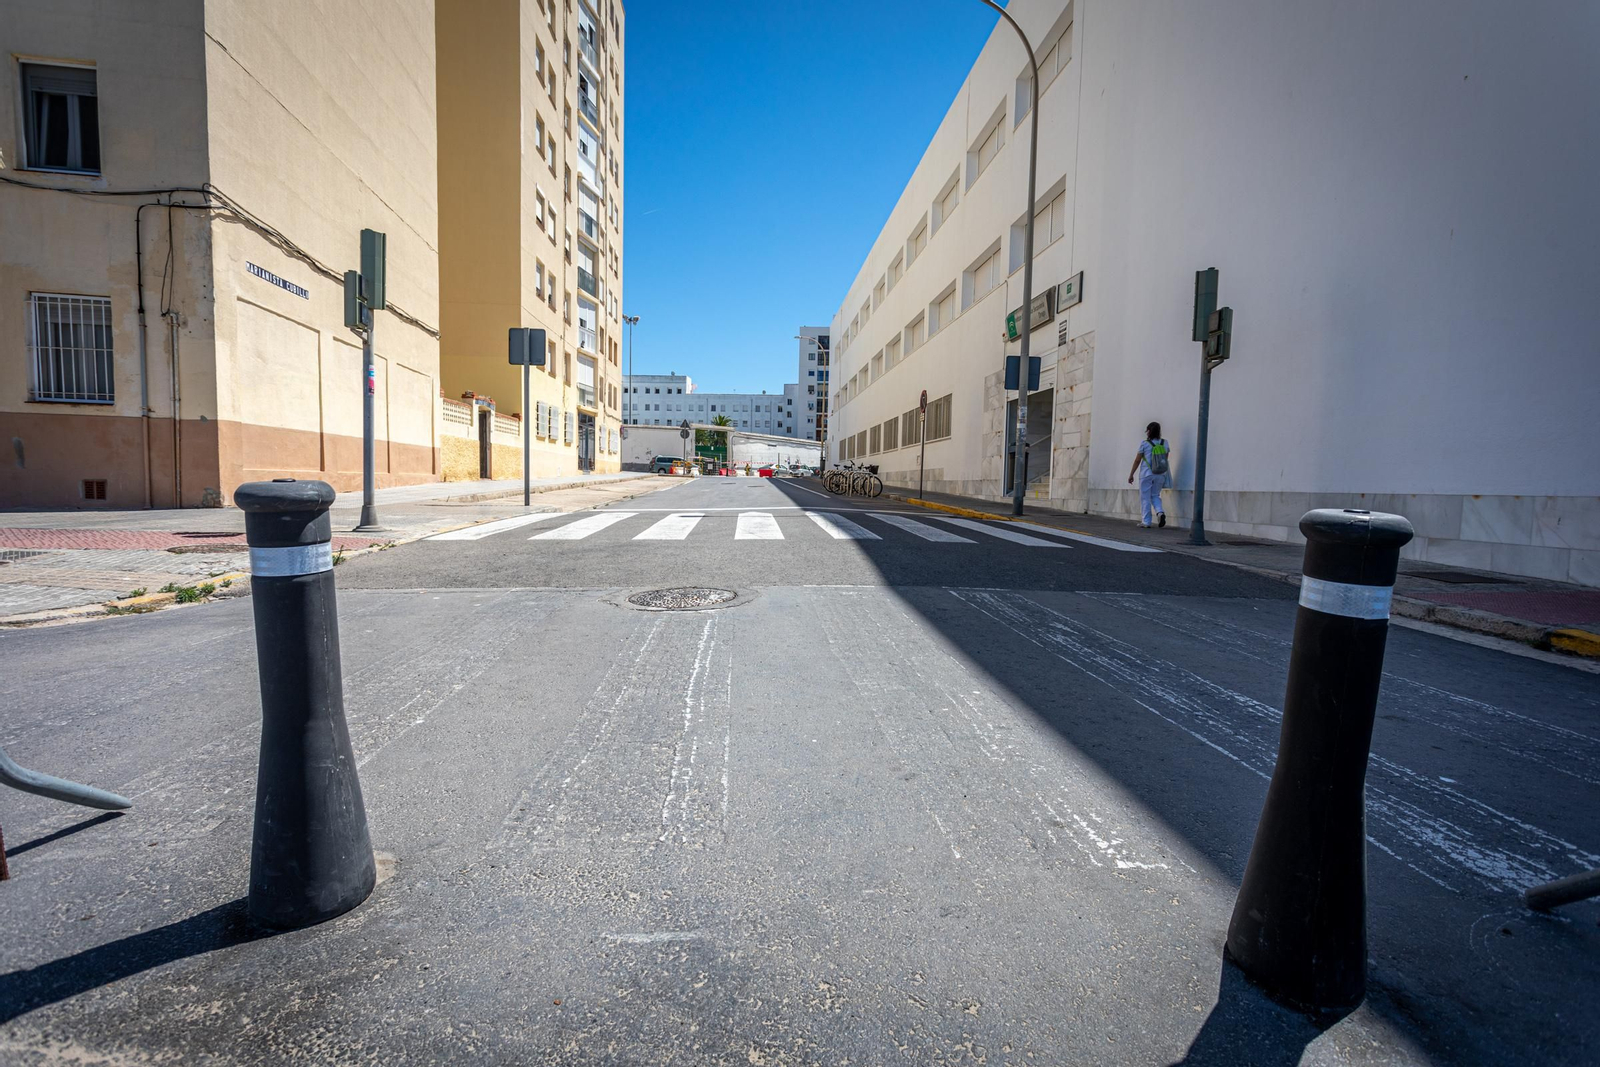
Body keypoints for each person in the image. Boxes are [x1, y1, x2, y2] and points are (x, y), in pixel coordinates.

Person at [1126, 422, 1171, 528]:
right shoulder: (1165, 443)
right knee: (1155, 495)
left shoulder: (1145, 443)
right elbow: (1165, 458)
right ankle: (1160, 512)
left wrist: (1131, 474)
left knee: (1145, 497)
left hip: (1146, 474)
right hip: (1160, 474)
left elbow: (1137, 460)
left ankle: (1146, 522)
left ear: (1149, 431)